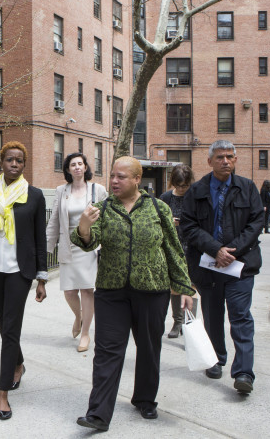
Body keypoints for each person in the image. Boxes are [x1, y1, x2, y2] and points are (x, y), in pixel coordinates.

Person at [72, 157, 195, 432]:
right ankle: (98, 413)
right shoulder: (102, 209)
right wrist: (83, 226)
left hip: (152, 289)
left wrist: (185, 287)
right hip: (112, 291)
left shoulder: (157, 208)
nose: (114, 181)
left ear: (137, 179)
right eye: (112, 176)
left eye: (121, 177)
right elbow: (88, 241)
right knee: (106, 351)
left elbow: (174, 249)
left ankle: (145, 399)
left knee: (149, 348)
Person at [0, 141, 48, 420]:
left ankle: (2, 392)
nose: (14, 164)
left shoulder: (35, 196)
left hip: (19, 272)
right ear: (1, 162)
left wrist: (42, 279)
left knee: (11, 328)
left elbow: (40, 239)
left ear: (24, 165)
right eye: (10, 160)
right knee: (4, 325)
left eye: (19, 161)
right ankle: (20, 363)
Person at [180, 140, 264, 395]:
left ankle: (243, 373)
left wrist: (231, 252)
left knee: (240, 318)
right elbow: (189, 226)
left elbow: (256, 221)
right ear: (209, 161)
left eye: (229, 156)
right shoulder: (197, 190)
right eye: (220, 157)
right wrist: (215, 249)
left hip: (240, 267)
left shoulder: (247, 188)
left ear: (235, 160)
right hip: (208, 267)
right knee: (213, 316)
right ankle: (216, 358)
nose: (225, 161)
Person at [46, 152, 107, 352]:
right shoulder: (61, 190)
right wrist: (46, 248)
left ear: (86, 167)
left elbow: (107, 218)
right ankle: (79, 317)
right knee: (70, 291)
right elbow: (54, 219)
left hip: (88, 246)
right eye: (73, 164)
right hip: (68, 245)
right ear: (68, 169)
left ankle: (86, 333)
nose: (77, 167)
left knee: (87, 290)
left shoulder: (97, 190)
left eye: (81, 163)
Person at [159, 163, 196, 339]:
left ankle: (190, 323)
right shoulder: (166, 197)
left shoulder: (195, 196)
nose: (181, 189)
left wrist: (183, 223)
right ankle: (177, 321)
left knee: (190, 286)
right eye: (178, 185)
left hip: (192, 246)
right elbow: (157, 219)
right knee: (174, 286)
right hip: (173, 247)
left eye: (185, 186)